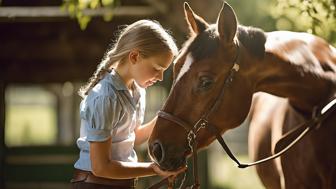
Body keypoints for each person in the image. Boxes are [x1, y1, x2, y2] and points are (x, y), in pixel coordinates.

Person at [71, 20, 185, 189]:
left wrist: (168, 117)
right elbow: (101, 167)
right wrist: (154, 169)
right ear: (134, 57)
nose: (160, 77)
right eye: (157, 68)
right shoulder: (105, 96)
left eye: (163, 71)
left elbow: (131, 136)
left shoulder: (138, 91)